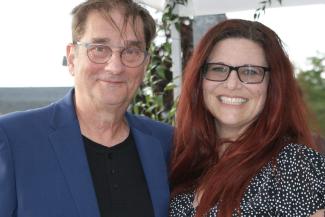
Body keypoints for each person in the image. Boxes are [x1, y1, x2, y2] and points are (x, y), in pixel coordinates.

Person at [0, 0, 172, 217]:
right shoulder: (13, 139)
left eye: (131, 51)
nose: (115, 66)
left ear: (145, 64)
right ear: (72, 58)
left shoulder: (166, 143)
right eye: (99, 49)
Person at [169, 19, 325, 217]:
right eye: (218, 69)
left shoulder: (294, 166)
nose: (232, 84)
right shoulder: (182, 159)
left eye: (250, 72)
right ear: (200, 80)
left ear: (273, 85)